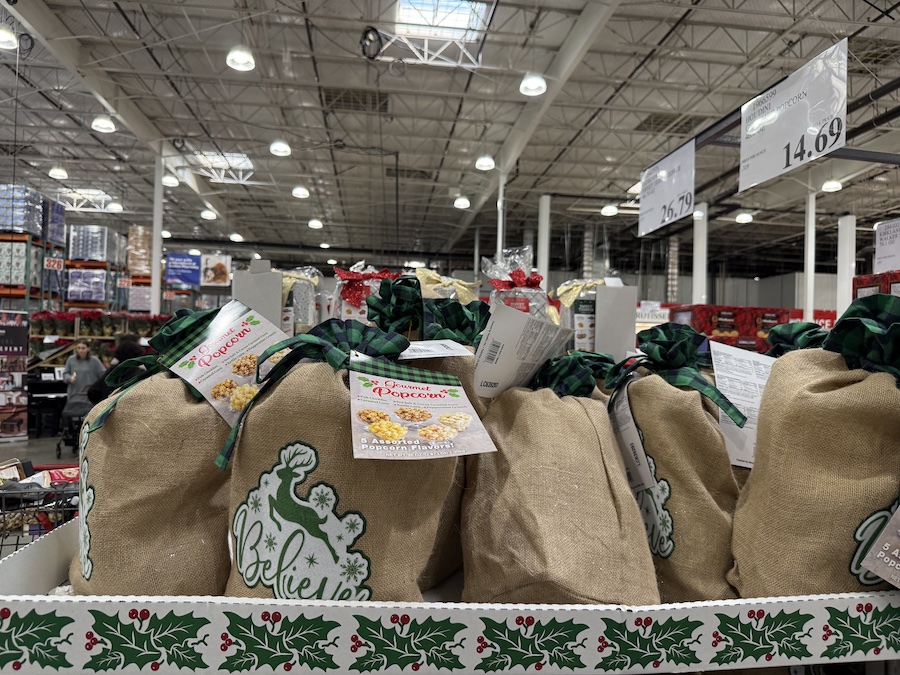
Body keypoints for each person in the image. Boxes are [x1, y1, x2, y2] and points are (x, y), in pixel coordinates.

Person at [87, 338, 146, 404]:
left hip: (110, 407)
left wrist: (103, 404)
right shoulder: (139, 373)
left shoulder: (112, 370)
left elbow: (93, 391)